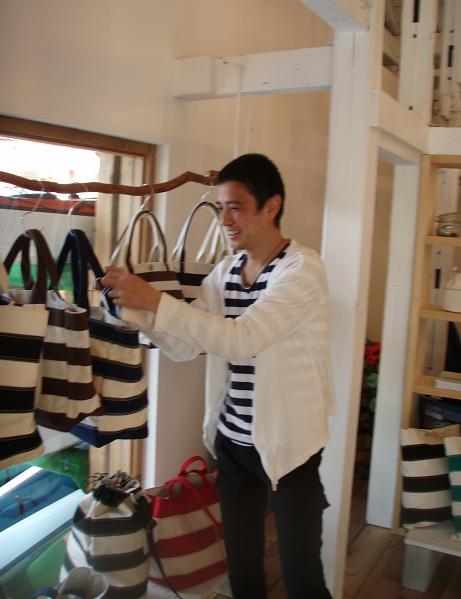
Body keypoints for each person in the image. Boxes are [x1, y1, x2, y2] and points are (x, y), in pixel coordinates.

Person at [102, 153, 333, 599]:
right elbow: (188, 345)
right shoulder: (225, 272)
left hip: (289, 446)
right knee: (242, 568)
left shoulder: (302, 270)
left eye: (236, 207)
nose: (225, 220)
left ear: (271, 206)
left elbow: (242, 340)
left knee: (302, 575)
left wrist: (155, 301)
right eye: (221, 207)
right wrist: (137, 311)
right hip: (231, 442)